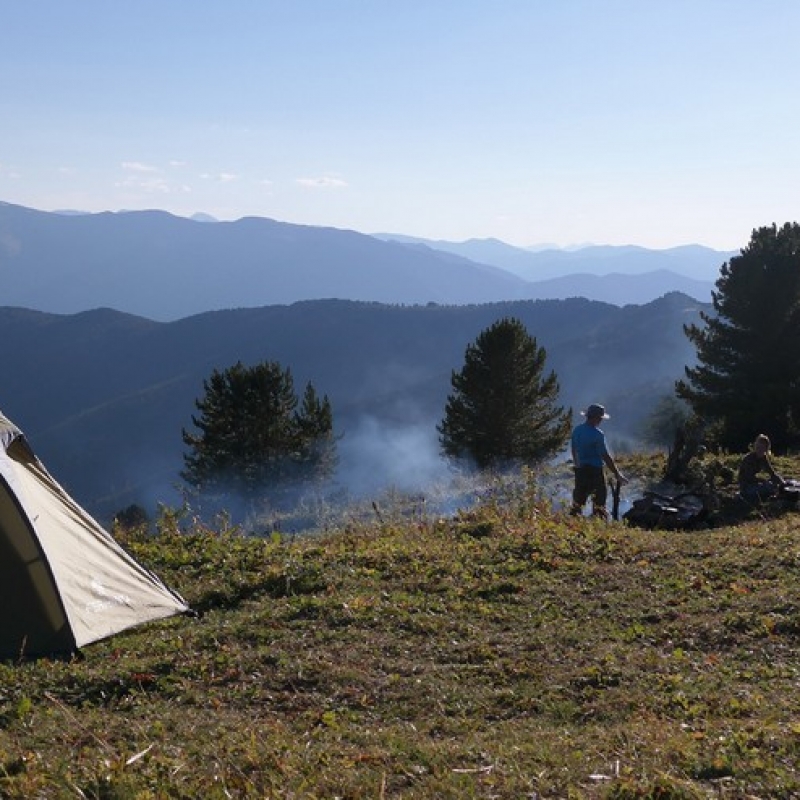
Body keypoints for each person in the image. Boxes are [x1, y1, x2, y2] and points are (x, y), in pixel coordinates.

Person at [570, 403, 628, 518]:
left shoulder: (577, 430)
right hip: (595, 471)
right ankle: (598, 524)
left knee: (578, 500)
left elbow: (574, 449)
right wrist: (617, 474)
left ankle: (573, 524)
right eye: (600, 418)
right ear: (596, 418)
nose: (600, 421)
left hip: (581, 471)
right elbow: (605, 456)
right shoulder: (597, 434)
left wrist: (577, 465)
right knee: (599, 501)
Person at [738, 434, 784, 503]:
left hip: (754, 483)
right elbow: (749, 478)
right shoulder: (749, 459)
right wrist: (763, 481)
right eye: (758, 447)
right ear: (755, 446)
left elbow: (772, 473)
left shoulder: (763, 458)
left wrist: (782, 482)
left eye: (762, 448)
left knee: (775, 483)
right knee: (768, 487)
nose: (760, 450)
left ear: (766, 449)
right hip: (746, 486)